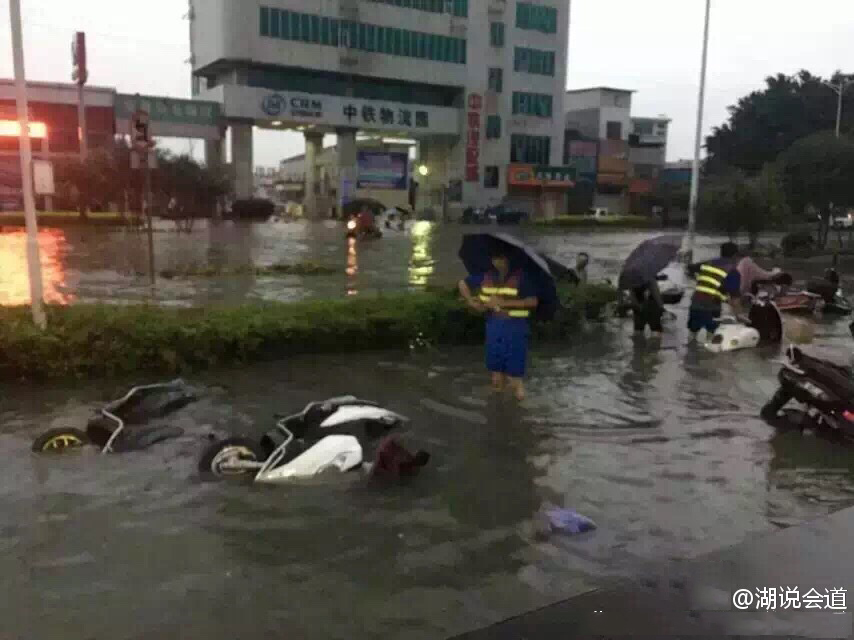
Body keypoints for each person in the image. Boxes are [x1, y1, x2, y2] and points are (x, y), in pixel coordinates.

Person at [458, 243, 539, 401]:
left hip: (515, 326)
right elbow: (463, 284)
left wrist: (503, 303)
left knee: (514, 374)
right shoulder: (486, 275)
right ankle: (499, 405)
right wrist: (471, 302)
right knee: (495, 371)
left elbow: (532, 301)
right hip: (494, 325)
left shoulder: (522, 277)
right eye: (494, 258)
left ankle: (519, 406)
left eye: (500, 259)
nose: (497, 262)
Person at [687, 242, 742, 340]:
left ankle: (689, 354)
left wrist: (698, 279)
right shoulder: (733, 272)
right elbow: (735, 299)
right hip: (712, 307)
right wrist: (738, 317)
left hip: (695, 304)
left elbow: (689, 268)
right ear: (735, 256)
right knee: (711, 338)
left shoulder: (708, 263)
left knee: (691, 337)